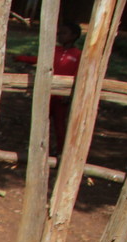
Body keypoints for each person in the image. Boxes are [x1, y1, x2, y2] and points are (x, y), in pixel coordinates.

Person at [15, 21, 81, 152]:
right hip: (47, 92)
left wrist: (70, 94)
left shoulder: (78, 55)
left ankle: (62, 150)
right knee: (40, 121)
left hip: (62, 96)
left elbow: (78, 74)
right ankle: (37, 148)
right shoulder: (54, 50)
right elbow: (39, 59)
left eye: (63, 33)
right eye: (58, 33)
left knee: (59, 123)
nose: (59, 36)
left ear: (74, 36)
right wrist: (20, 58)